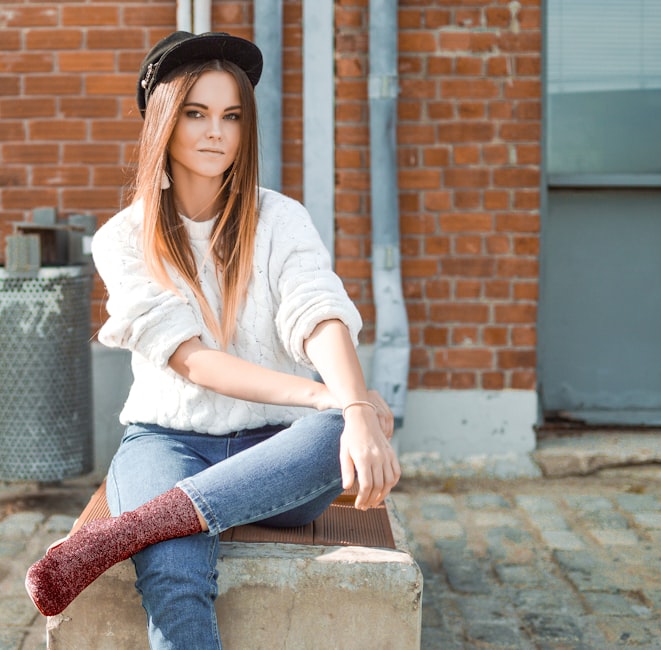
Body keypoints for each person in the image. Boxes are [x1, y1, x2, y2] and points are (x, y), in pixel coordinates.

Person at [25, 30, 401, 648]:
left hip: (275, 453)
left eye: (230, 116)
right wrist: (326, 397)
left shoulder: (279, 218)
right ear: (164, 123)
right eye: (196, 113)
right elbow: (193, 360)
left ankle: (129, 530)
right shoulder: (125, 237)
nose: (215, 132)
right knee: (173, 569)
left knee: (351, 420)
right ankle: (158, 526)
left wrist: (351, 406)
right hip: (166, 444)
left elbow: (318, 311)